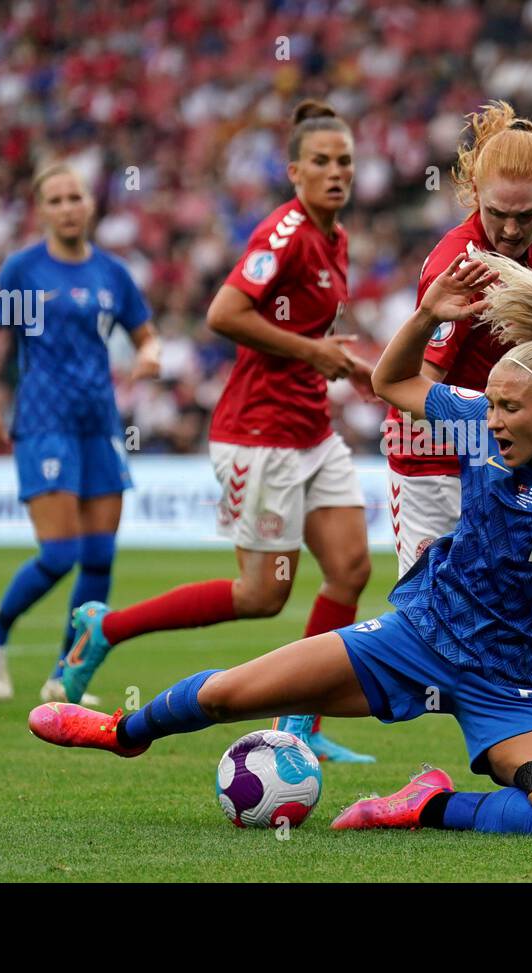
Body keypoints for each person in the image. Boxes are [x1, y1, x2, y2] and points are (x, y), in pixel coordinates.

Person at [28, 252, 532, 838]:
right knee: (237, 692)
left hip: (514, 684)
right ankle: (123, 733)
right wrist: (429, 314)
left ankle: (427, 802)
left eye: (511, 409)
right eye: (492, 403)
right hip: (418, 635)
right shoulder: (475, 420)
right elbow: (391, 381)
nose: (493, 419)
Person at [59, 101, 375, 763]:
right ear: (293, 171)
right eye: (320, 161)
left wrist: (340, 356)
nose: (335, 171)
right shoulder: (283, 232)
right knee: (262, 596)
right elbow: (223, 313)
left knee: (349, 568)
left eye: (344, 160)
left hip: (310, 428)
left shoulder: (335, 238)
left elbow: (303, 333)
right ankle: (105, 626)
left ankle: (300, 727)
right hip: (259, 433)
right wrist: (313, 352)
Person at [383, 100, 532, 714]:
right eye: (495, 213)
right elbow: (419, 387)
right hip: (437, 459)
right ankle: (295, 713)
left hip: (511, 447)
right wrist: (511, 407)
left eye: (523, 216)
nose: (507, 230)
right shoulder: (462, 264)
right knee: (425, 636)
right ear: (474, 192)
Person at [0, 162, 161, 702]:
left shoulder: (112, 273)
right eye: (56, 200)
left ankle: (64, 676)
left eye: (76, 197)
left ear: (90, 205)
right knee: (59, 552)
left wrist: (150, 354)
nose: (68, 207)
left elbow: (147, 335)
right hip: (44, 422)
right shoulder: (25, 269)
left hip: (99, 423)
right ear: (41, 210)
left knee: (99, 555)